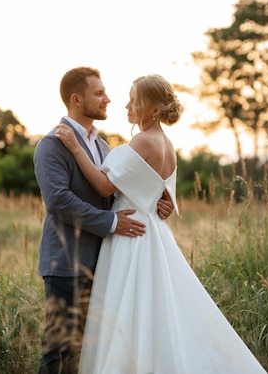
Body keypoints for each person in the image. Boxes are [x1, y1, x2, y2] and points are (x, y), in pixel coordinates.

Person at [55, 74, 267, 373]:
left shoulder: (142, 140)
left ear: (154, 110)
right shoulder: (167, 144)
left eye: (135, 101)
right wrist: (159, 202)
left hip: (131, 231)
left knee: (129, 307)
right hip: (152, 228)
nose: (127, 105)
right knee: (155, 307)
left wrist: (77, 149)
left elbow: (104, 187)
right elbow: (162, 196)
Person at [34, 66, 174, 374]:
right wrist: (112, 223)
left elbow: (113, 193)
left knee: (89, 351)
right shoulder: (52, 143)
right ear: (76, 100)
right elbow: (58, 201)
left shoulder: (102, 146)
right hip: (67, 263)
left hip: (106, 263)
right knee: (59, 350)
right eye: (99, 94)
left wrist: (154, 202)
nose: (108, 99)